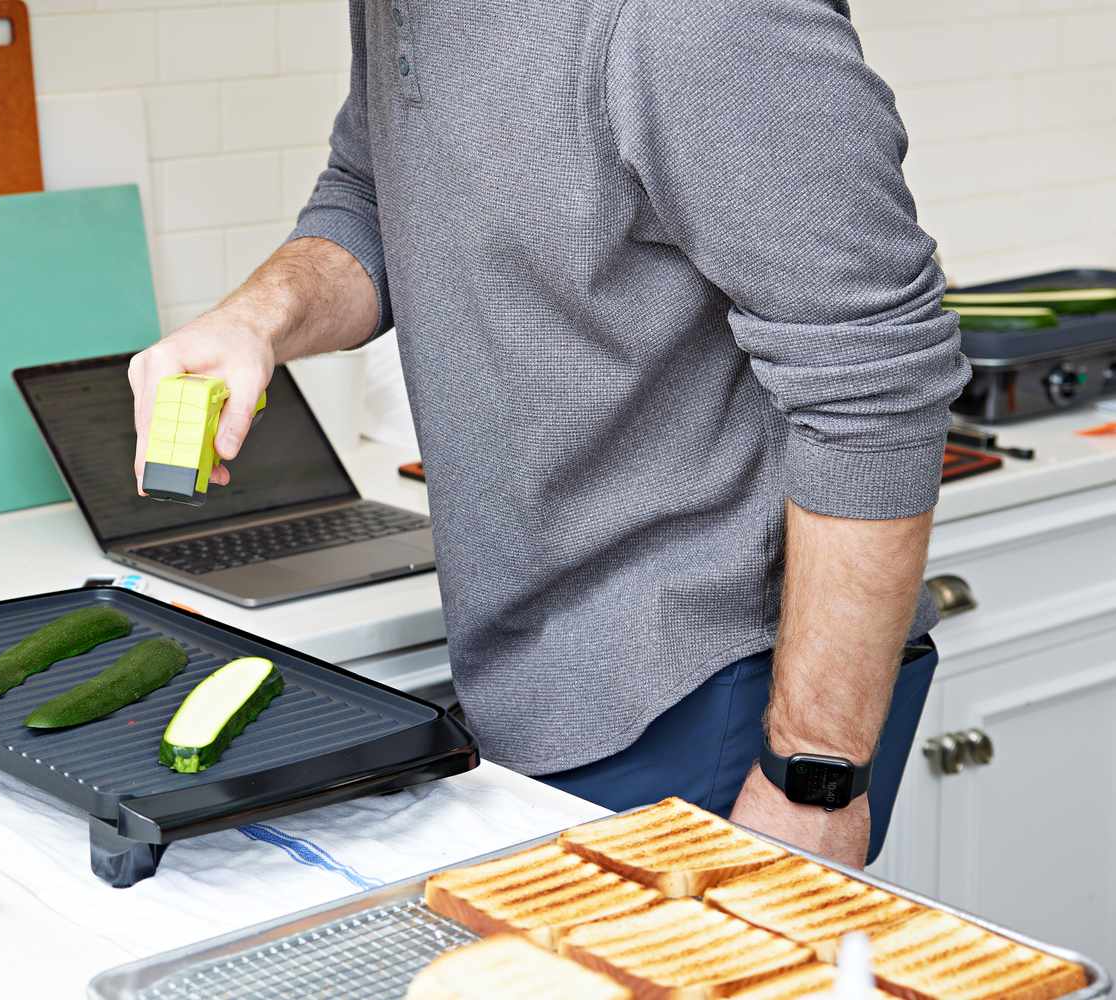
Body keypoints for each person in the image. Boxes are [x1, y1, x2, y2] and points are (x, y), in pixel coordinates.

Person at [127, 0, 970, 867]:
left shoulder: (700, 17)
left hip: (722, 691)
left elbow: (878, 381)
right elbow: (370, 191)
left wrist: (812, 777)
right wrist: (258, 320)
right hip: (536, 674)